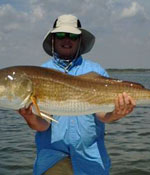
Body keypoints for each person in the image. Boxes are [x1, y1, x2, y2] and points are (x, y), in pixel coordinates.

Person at [18, 14, 135, 175]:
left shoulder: (96, 71)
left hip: (91, 161)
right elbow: (43, 124)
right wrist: (30, 117)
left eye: (73, 36)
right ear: (53, 39)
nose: (67, 40)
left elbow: (102, 115)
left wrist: (115, 114)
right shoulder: (40, 74)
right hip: (53, 160)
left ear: (80, 40)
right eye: (60, 35)